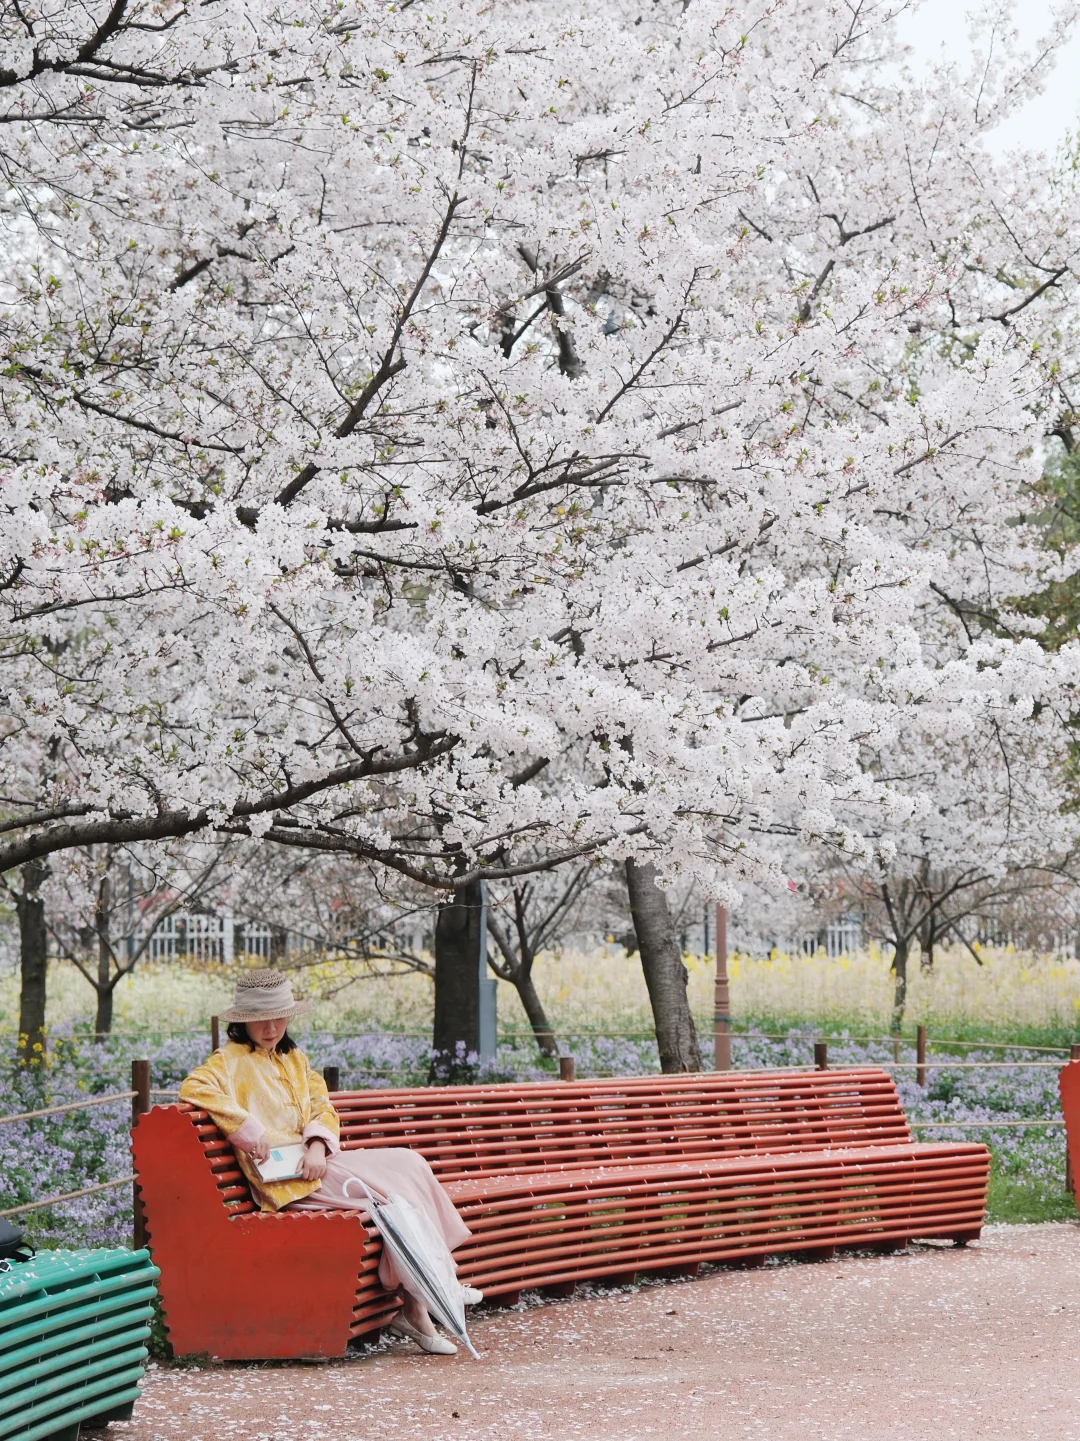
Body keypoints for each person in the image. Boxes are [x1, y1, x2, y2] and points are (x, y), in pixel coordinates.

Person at [179, 967, 479, 1355]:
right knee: (386, 1196)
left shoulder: (293, 1058)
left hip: (318, 1165)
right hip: (286, 1182)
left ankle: (436, 1282)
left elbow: (322, 1105)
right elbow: (194, 1088)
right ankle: (422, 1302)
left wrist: (318, 1145)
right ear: (243, 1020)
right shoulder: (228, 1061)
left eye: (279, 1017)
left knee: (410, 1164)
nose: (271, 1028)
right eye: (261, 1019)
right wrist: (249, 1131)